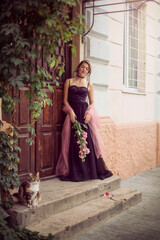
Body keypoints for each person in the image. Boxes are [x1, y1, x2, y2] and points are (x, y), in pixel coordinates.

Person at [55, 60, 113, 181]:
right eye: (82, 67)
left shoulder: (88, 85)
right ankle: (75, 172)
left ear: (88, 72)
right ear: (78, 67)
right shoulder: (69, 81)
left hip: (84, 114)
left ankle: (88, 171)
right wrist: (70, 111)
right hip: (73, 114)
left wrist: (90, 113)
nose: (84, 70)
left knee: (86, 142)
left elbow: (92, 103)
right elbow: (65, 100)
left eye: (86, 69)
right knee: (72, 142)